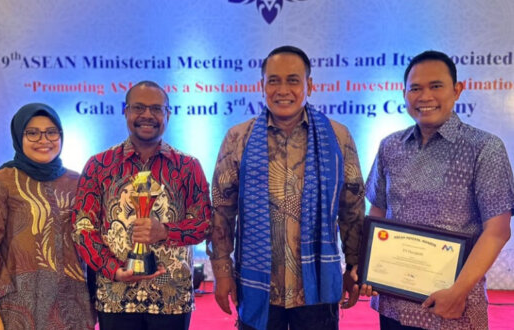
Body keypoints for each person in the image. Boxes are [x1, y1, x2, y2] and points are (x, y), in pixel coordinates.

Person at [208, 45, 365, 330]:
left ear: (310, 85)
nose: (283, 90)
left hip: (317, 285)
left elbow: (351, 208)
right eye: (274, 81)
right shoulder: (238, 138)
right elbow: (222, 210)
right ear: (262, 86)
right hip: (258, 286)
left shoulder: (338, 137)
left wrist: (355, 267)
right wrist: (221, 272)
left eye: (293, 80)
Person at [362, 50, 514, 329]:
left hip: (453, 308)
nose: (425, 96)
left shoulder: (485, 148)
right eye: (415, 88)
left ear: (457, 90)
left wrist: (457, 292)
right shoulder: (390, 146)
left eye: (436, 86)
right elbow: (378, 209)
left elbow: (498, 230)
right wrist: (370, 269)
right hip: (393, 304)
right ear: (404, 93)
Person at [72, 80, 212, 330]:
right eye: (139, 107)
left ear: (168, 114)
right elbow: (83, 228)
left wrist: (165, 232)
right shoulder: (99, 165)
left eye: (156, 109)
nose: (147, 115)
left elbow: (204, 225)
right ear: (125, 111)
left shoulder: (188, 167)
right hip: (116, 296)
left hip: (171, 297)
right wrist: (113, 269)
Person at [0, 103, 96, 330]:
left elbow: (90, 243)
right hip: (16, 311)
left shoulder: (78, 182)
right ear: (19, 136)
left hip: (72, 310)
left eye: (51, 132)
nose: (43, 140)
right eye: (32, 133)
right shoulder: (1, 182)